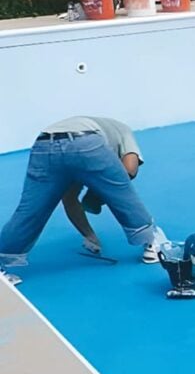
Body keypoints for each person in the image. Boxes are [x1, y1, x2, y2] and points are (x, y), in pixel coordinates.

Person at [0, 116, 168, 285]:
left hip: (43, 146)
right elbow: (130, 170)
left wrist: (89, 236)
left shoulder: (97, 126)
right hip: (86, 143)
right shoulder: (124, 130)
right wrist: (101, 190)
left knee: (30, 210)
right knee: (123, 196)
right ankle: (151, 242)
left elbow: (70, 199)